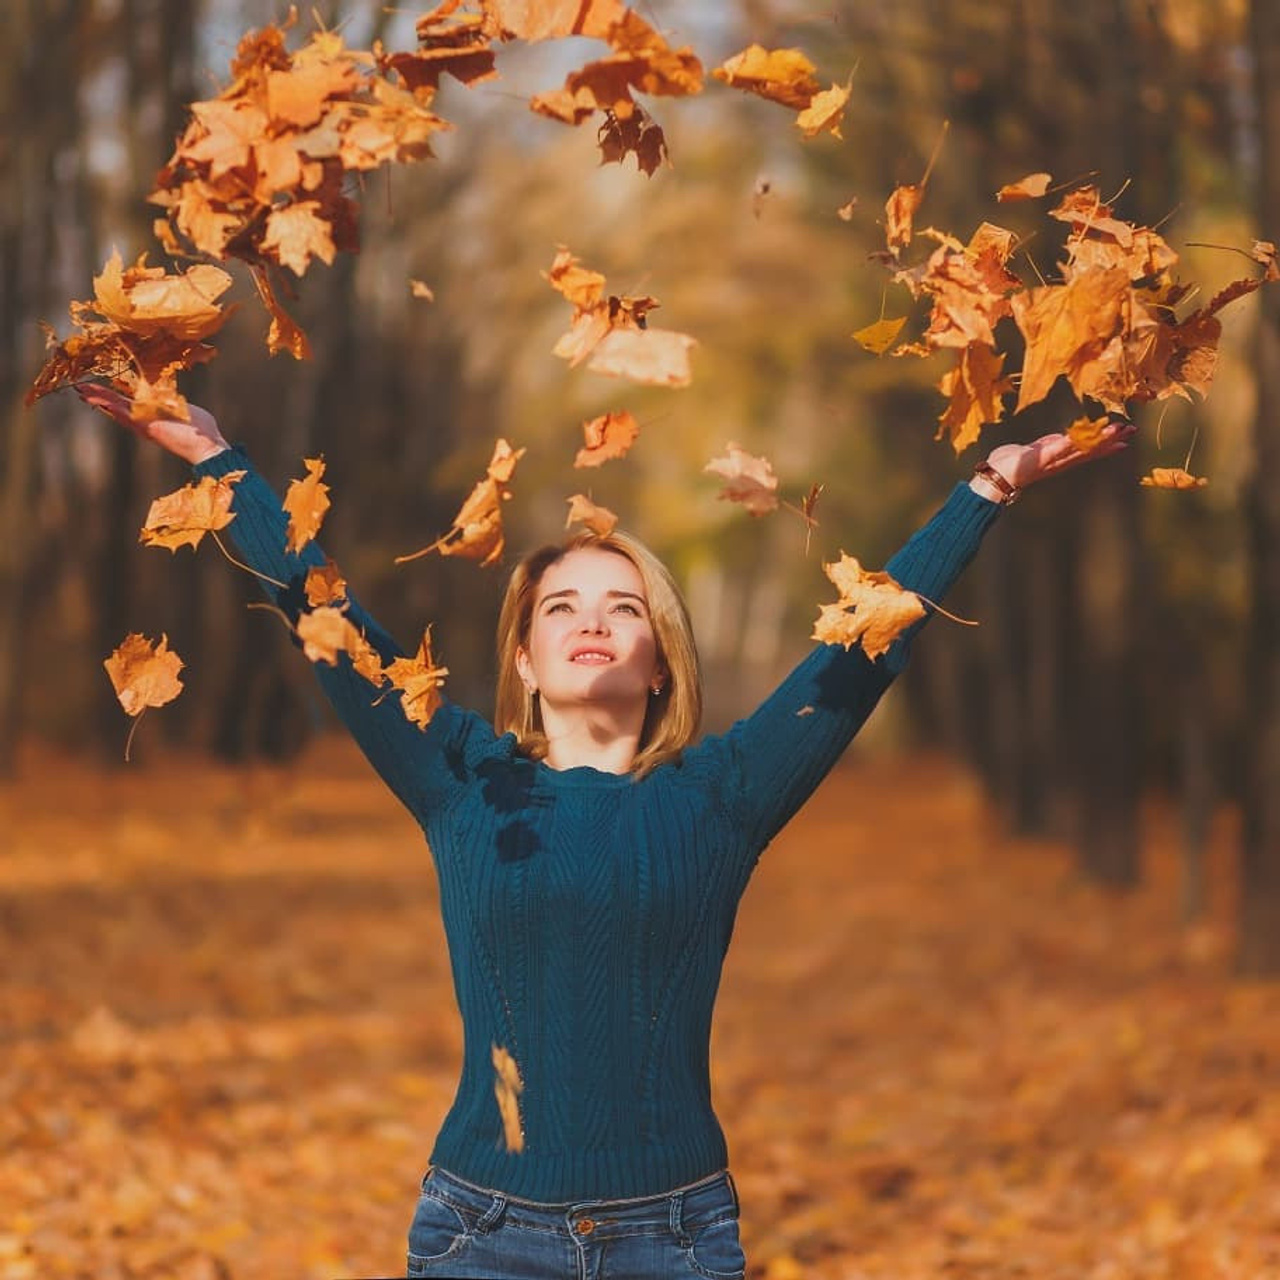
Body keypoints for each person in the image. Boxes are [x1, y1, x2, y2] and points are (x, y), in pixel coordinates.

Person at [77, 382, 1133, 1280]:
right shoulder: (460, 777)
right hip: (478, 1232)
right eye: (560, 606)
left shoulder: (720, 794)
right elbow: (333, 626)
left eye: (622, 606)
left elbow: (856, 655)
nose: (590, 620)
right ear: (525, 661)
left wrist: (986, 486)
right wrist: (220, 461)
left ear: (660, 655)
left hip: (674, 1235)